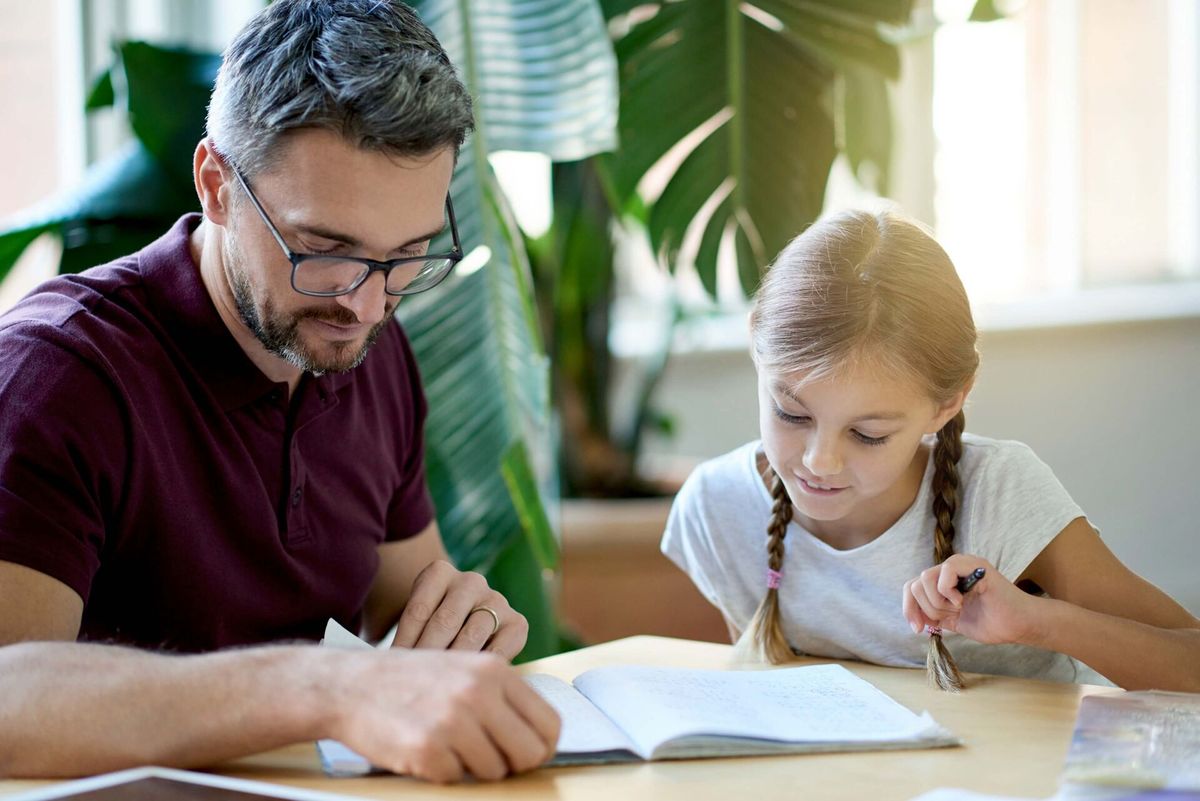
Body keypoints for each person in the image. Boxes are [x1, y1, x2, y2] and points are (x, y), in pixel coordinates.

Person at [0, 0, 559, 783]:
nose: (365, 304)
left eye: (408, 255)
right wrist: (323, 685)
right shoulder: (55, 375)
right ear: (216, 185)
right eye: (325, 250)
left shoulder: (371, 349)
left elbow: (407, 615)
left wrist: (458, 631)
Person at [661, 209, 1200, 692]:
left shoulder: (1001, 495)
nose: (819, 461)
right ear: (756, 344)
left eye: (868, 434)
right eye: (792, 414)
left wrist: (1036, 620)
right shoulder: (716, 508)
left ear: (948, 402)